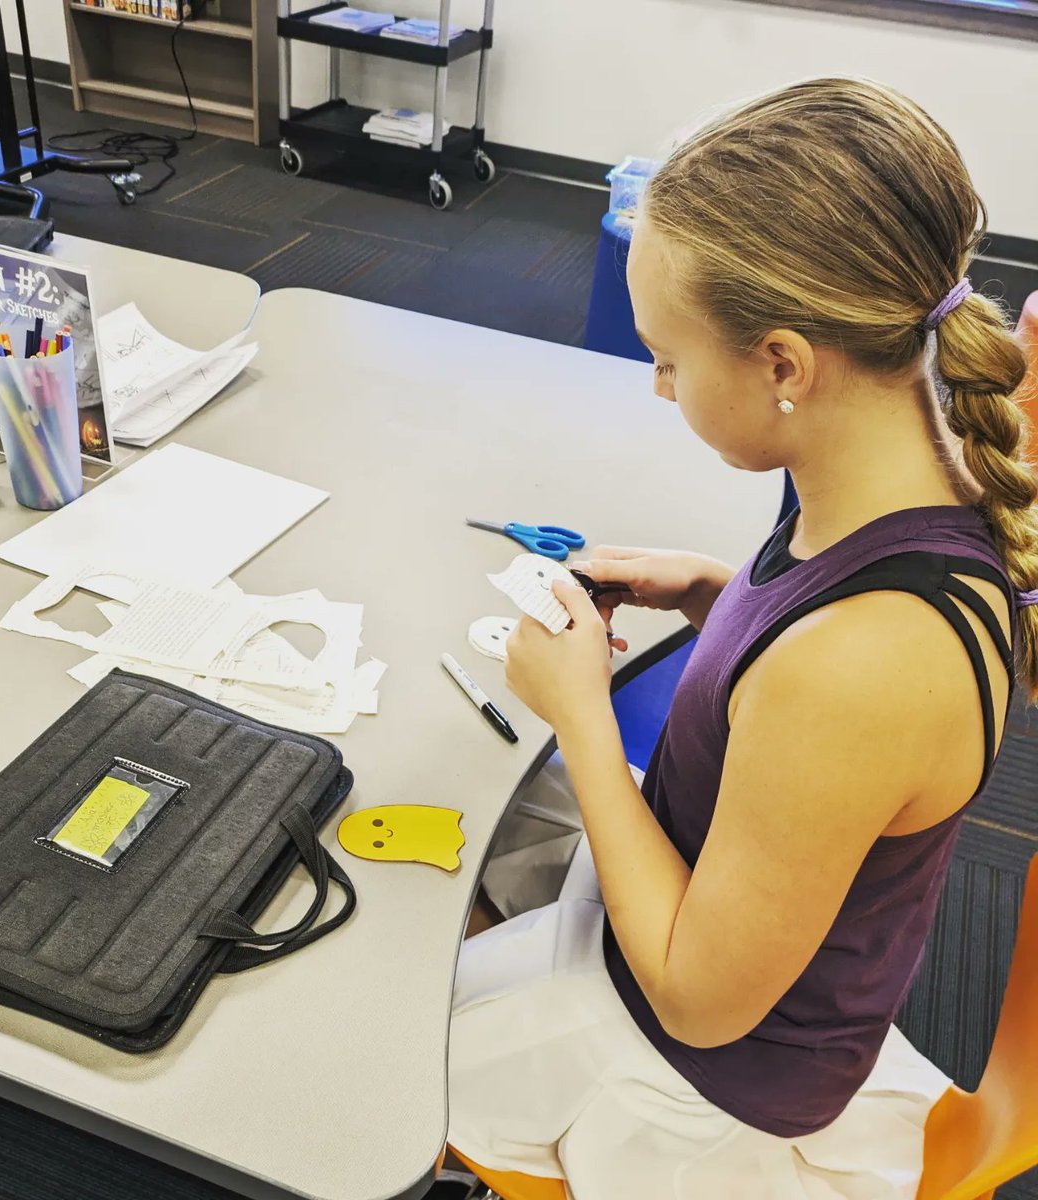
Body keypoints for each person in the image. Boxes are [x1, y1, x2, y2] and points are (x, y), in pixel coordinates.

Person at [446, 77, 1038, 1199]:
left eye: (669, 357)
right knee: (488, 872)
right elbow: (816, 690)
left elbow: (699, 1000)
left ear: (781, 367)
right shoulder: (897, 460)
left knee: (385, 1061)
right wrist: (717, 593)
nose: (658, 386)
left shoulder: (867, 661)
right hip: (746, 934)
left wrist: (577, 711)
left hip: (707, 1084)